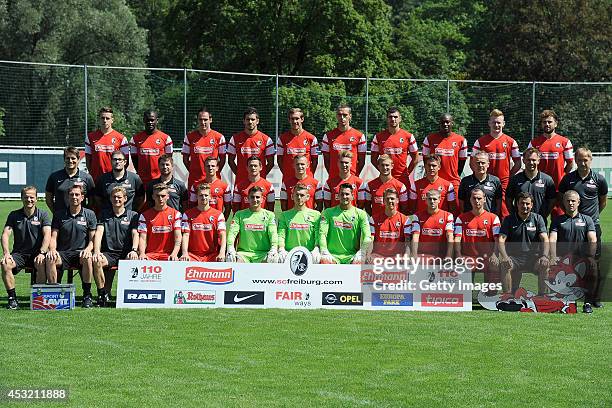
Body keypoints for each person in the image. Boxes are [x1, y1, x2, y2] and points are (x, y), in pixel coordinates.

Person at [558, 147, 607, 307]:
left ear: (590, 160)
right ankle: (566, 294)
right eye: (579, 159)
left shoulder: (599, 179)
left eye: (585, 159)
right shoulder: (568, 179)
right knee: (569, 261)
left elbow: (603, 201)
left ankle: (594, 298)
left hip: (592, 227)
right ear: (575, 160)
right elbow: (562, 199)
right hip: (572, 227)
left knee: (594, 263)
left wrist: (590, 220)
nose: (582, 162)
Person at [46, 184, 97, 308]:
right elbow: (53, 237)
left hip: (80, 253)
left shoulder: (90, 214)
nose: (74, 197)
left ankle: (87, 295)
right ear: (68, 197)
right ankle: (54, 294)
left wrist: (88, 250)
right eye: (71, 194)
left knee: (87, 258)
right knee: (50, 258)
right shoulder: (59, 214)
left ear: (82, 197)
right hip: (63, 253)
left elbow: (93, 239)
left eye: (77, 194)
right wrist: (52, 250)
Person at [1, 186, 51, 309]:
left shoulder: (43, 214)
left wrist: (42, 252)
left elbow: (47, 235)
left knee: (41, 262)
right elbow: (5, 234)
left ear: (37, 199)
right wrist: (6, 253)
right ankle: (12, 299)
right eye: (26, 197)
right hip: (19, 254)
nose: (29, 200)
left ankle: (38, 299)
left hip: (37, 253)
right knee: (5, 264)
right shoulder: (14, 215)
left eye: (31, 197)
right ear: (21, 198)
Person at [549, 190, 597, 313]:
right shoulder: (557, 220)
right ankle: (554, 300)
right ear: (563, 202)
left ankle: (587, 303)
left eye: (573, 201)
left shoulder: (587, 220)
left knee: (594, 269)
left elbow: (592, 239)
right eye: (568, 201)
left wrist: (591, 257)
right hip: (563, 259)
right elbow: (552, 239)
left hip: (581, 258)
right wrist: (553, 257)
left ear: (578, 202)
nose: (570, 203)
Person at [92, 186, 139, 307]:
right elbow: (98, 233)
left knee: (133, 260)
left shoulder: (133, 215)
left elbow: (135, 233)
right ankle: (102, 295)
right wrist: (97, 251)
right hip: (109, 254)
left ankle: (128, 296)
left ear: (125, 199)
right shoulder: (104, 214)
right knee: (96, 261)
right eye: (114, 197)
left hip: (126, 254)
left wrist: (134, 250)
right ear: (110, 199)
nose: (116, 199)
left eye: (119, 197)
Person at [497, 192, 549, 295]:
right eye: (522, 203)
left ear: (532, 205)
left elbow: (545, 239)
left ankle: (542, 297)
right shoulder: (509, 219)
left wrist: (544, 256)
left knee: (545, 264)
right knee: (504, 264)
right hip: (514, 258)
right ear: (517, 204)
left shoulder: (538, 219)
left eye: (527, 204)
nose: (524, 206)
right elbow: (501, 239)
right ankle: (507, 297)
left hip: (533, 258)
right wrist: (505, 257)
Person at [472, 109, 521, 217]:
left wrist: (509, 176)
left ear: (503, 124)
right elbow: (472, 161)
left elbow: (518, 162)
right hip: (485, 180)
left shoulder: (510, 141)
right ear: (489, 123)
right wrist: (479, 175)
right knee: (484, 207)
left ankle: (504, 232)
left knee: (504, 211)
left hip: (503, 182)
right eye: (494, 122)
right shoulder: (480, 141)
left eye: (499, 122)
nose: (496, 125)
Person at [454, 188, 501, 288]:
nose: (476, 201)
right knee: (464, 266)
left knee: (494, 266)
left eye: (479, 198)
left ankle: (489, 296)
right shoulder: (461, 218)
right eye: (474, 198)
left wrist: (495, 255)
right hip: (469, 257)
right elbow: (457, 239)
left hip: (488, 257)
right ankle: (467, 297)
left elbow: (497, 240)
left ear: (484, 199)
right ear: (470, 200)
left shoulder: (493, 218)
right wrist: (458, 254)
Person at [528, 110, 574, 202]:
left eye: (550, 122)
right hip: (539, 186)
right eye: (544, 122)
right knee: (538, 216)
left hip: (558, 187)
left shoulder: (565, 142)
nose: (547, 124)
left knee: (559, 215)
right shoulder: (534, 143)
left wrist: (562, 175)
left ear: (556, 124)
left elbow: (570, 163)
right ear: (541, 124)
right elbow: (528, 163)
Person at [319, 183, 372, 264]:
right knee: (324, 261)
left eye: (347, 194)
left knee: (359, 263)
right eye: (342, 194)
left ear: (352, 196)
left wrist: (362, 252)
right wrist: (324, 251)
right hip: (332, 256)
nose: (344, 197)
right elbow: (322, 233)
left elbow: (367, 236)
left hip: (352, 256)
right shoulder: (327, 213)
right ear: (338, 196)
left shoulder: (361, 214)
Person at [226, 186, 278, 263]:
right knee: (234, 260)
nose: (255, 200)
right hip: (244, 254)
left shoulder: (270, 215)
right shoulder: (239, 215)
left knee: (273, 260)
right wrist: (230, 247)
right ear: (248, 198)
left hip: (263, 254)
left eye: (257, 197)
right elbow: (232, 233)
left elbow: (273, 233)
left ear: (262, 199)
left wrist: (274, 248)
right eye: (252, 197)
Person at [370, 107, 418, 186]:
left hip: (402, 179)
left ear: (400, 119)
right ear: (387, 119)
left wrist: (406, 173)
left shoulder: (408, 136)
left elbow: (415, 159)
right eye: (390, 117)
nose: (393, 119)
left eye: (395, 117)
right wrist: (384, 172)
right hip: (385, 179)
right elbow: (373, 159)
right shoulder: (378, 137)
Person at [506, 147, 556, 222]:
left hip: (539, 223)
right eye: (528, 160)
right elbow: (508, 199)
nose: (531, 163)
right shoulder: (515, 179)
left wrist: (544, 215)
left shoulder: (547, 180)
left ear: (538, 161)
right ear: (523, 161)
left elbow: (552, 200)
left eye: (533, 160)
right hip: (519, 222)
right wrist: (514, 214)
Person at [422, 113, 467, 195]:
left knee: (455, 207)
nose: (445, 124)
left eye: (447, 122)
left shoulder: (461, 140)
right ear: (439, 124)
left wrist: (454, 175)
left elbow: (462, 162)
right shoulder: (429, 139)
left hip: (453, 181)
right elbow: (425, 160)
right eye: (443, 122)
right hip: (434, 181)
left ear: (452, 123)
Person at [180, 183, 227, 262]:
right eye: (201, 195)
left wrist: (222, 253)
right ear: (197, 196)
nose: (203, 198)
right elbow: (186, 235)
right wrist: (185, 253)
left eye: (206, 195)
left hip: (212, 255)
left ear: (210, 196)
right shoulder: (187, 214)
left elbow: (222, 235)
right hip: (192, 255)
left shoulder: (218, 215)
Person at [182, 107, 226, 190]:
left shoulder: (219, 137)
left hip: (213, 181)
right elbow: (185, 159)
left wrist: (214, 172)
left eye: (205, 119)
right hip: (195, 180)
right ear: (197, 120)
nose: (203, 122)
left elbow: (223, 159)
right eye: (200, 119)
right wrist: (193, 172)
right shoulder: (189, 137)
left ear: (210, 120)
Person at [226, 107, 275, 182]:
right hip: (241, 182)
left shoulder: (267, 140)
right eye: (248, 119)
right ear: (244, 121)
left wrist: (261, 175)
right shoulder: (235, 139)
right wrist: (239, 174)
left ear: (257, 121)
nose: (250, 122)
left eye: (253, 119)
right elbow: (230, 161)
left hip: (259, 183)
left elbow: (270, 163)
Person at [277, 184, 322, 263]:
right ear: (292, 196)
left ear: (307, 197)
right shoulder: (284, 215)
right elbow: (281, 235)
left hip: (310, 254)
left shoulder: (316, 215)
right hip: (289, 254)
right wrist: (281, 249)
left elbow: (318, 235)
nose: (299, 198)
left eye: (302, 195)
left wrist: (316, 248)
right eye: (296, 195)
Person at [321, 104, 366, 180]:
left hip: (352, 179)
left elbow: (361, 161)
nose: (342, 118)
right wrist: (333, 175)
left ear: (350, 116)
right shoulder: (328, 136)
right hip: (334, 178)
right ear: (336, 116)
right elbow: (326, 161)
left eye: (345, 115)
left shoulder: (359, 136)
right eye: (339, 115)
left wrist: (354, 176)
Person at [137, 184, 182, 261]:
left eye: (163, 196)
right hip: (150, 255)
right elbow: (142, 238)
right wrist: (142, 253)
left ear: (168, 196)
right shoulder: (144, 216)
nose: (160, 199)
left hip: (168, 255)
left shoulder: (176, 214)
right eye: (157, 196)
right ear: (153, 197)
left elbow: (178, 237)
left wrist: (174, 253)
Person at [85, 106, 130, 182]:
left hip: (113, 180)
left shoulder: (121, 138)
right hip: (96, 180)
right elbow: (88, 161)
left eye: (107, 118)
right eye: (102, 118)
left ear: (112, 120)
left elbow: (126, 162)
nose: (105, 120)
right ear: (99, 119)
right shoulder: (90, 137)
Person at [45, 146, 95, 215]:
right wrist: (56, 213)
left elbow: (92, 200)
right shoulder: (54, 177)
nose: (70, 161)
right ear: (64, 159)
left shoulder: (87, 178)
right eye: (67, 158)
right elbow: (48, 199)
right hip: (60, 220)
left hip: (80, 220)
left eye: (73, 158)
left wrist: (84, 214)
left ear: (78, 159)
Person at [130, 110, 173, 185]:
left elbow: (168, 159)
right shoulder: (135, 139)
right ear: (144, 120)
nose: (150, 122)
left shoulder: (166, 138)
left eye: (152, 120)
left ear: (157, 120)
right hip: (142, 180)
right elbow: (134, 159)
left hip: (160, 180)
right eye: (147, 120)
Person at [369, 188, 413, 260]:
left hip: (397, 257)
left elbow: (407, 241)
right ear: (383, 201)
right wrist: (368, 254)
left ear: (397, 200)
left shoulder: (405, 220)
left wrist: (406, 255)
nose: (390, 201)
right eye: (387, 199)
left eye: (392, 198)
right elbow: (371, 240)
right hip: (378, 256)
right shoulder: (373, 219)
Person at [277, 108, 318, 181]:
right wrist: (287, 174)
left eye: (297, 118)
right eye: (292, 119)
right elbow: (279, 160)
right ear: (289, 120)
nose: (294, 121)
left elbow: (315, 161)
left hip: (306, 180)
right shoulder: (282, 139)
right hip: (288, 180)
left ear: (302, 119)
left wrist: (309, 174)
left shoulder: (311, 138)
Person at [411, 189, 454, 259]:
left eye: (435, 199)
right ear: (426, 200)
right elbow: (415, 236)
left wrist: (449, 256)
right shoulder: (417, 216)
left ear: (439, 199)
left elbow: (450, 236)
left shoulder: (448, 216)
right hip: (422, 255)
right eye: (430, 199)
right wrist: (414, 255)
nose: (432, 201)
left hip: (441, 256)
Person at [458, 151, 502, 215]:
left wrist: (494, 217)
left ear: (488, 164)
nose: (480, 165)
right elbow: (461, 203)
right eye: (478, 163)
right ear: (473, 164)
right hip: (470, 221)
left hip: (489, 221)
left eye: (483, 163)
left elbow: (498, 204)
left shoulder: (495, 181)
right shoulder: (465, 181)